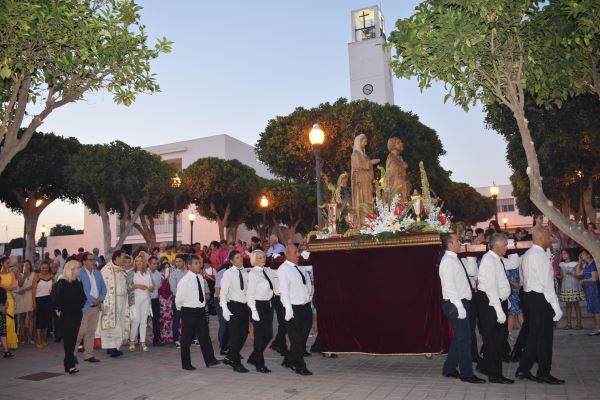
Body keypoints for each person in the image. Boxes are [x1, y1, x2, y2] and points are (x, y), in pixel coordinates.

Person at [516, 228, 564, 384]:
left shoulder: (528, 254)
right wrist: (556, 306)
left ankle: (523, 369)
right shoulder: (540, 256)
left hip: (530, 297)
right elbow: (547, 283)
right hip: (540, 297)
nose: (551, 239)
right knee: (544, 337)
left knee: (534, 336)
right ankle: (543, 373)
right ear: (542, 238)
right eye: (549, 237)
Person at [438, 234, 486, 384]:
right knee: (464, 339)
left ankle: (449, 368)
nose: (460, 243)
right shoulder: (448, 261)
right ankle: (466, 374)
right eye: (457, 241)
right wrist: (459, 306)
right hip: (455, 304)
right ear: (450, 244)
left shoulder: (452, 259)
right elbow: (450, 286)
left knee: (460, 338)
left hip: (461, 302)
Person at [476, 233, 513, 384]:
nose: (506, 247)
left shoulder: (495, 259)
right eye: (505, 244)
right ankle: (495, 374)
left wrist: (506, 301)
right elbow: (491, 287)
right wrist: (498, 309)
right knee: (494, 340)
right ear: (497, 245)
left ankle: (485, 366)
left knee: (499, 337)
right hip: (491, 303)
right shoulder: (489, 260)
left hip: (497, 301)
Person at [175, 255, 221, 370]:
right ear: (189, 265)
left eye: (198, 263)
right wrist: (183, 310)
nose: (198, 265)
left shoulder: (200, 277)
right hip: (189, 311)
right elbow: (179, 299)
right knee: (187, 338)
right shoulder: (185, 280)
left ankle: (210, 360)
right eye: (195, 263)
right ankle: (186, 364)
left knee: (204, 336)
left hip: (200, 310)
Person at [279, 245, 313, 376]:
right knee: (296, 339)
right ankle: (300, 366)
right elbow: (284, 291)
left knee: (303, 336)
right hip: (293, 308)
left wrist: (308, 297)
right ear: (287, 254)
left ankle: (289, 359)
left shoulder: (299, 266)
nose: (298, 255)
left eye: (297, 252)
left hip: (305, 306)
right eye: (295, 253)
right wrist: (288, 309)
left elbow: (307, 282)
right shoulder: (283, 269)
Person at [52, 260, 87, 374]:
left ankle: (69, 363)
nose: (80, 270)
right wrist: (59, 312)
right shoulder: (62, 282)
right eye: (78, 267)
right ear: (72, 269)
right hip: (66, 314)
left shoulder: (77, 282)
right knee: (68, 339)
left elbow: (83, 298)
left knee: (73, 339)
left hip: (77, 314)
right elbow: (55, 299)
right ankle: (70, 364)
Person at [220, 251, 249, 373]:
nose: (240, 259)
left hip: (244, 306)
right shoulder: (228, 273)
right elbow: (223, 292)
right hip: (233, 306)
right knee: (235, 336)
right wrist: (225, 308)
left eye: (241, 257)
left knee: (243, 334)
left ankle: (230, 356)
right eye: (237, 258)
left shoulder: (245, 271)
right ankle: (236, 364)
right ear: (231, 261)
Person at [246, 250, 275, 373]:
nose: (263, 259)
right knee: (259, 336)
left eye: (263, 257)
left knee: (268, 334)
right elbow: (250, 294)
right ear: (254, 260)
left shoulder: (266, 271)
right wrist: (253, 311)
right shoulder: (253, 274)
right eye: (259, 258)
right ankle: (259, 363)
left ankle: (254, 356)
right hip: (258, 305)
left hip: (267, 305)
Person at [76, 252, 106, 363]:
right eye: (90, 259)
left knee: (91, 332)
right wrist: (91, 299)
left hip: (96, 307)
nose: (93, 261)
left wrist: (101, 298)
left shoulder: (98, 273)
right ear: (84, 262)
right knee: (81, 331)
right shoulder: (80, 273)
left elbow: (104, 288)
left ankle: (88, 355)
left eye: (94, 259)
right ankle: (72, 354)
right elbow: (81, 290)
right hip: (85, 307)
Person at [99, 250, 129, 358]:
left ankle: (114, 346)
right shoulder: (106, 270)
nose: (124, 260)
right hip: (111, 301)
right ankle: (111, 348)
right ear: (116, 258)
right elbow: (102, 287)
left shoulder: (122, 270)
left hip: (121, 300)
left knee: (119, 323)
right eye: (123, 257)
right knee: (112, 324)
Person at [129, 253, 153, 351]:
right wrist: (138, 286)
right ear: (135, 262)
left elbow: (151, 285)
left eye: (141, 261)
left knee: (144, 321)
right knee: (136, 320)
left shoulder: (148, 272)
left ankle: (143, 342)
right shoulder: (131, 272)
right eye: (137, 261)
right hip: (135, 299)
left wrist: (151, 287)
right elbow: (128, 286)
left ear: (144, 262)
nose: (139, 263)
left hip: (146, 298)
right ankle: (132, 341)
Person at [558, 249, 584, 330]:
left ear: (569, 254)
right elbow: (561, 276)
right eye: (562, 254)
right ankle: (568, 324)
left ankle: (579, 324)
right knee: (568, 305)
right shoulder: (561, 264)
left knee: (576, 305)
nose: (563, 255)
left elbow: (579, 275)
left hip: (574, 285)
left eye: (565, 253)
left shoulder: (575, 263)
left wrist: (572, 273)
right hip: (565, 286)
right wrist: (556, 275)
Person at [576, 250, 600, 336]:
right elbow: (578, 273)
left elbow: (594, 279)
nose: (581, 256)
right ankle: (597, 326)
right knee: (593, 308)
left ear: (589, 255)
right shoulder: (586, 265)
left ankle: (598, 328)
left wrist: (583, 280)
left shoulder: (594, 264)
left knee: (597, 308)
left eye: (582, 254)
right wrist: (579, 262)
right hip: (589, 289)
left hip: (595, 289)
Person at [31, 260, 54, 349]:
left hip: (48, 299)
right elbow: (33, 291)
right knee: (39, 320)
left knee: (47, 320)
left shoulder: (51, 277)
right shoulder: (36, 277)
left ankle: (44, 339)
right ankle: (38, 340)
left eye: (46, 268)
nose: (45, 269)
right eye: (43, 268)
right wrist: (33, 302)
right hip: (39, 300)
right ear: (40, 268)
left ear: (48, 268)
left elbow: (53, 289)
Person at [169, 254, 187, 347]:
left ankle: (187, 338)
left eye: (180, 261)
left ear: (184, 262)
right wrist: (181, 296)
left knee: (187, 320)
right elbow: (173, 288)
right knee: (177, 319)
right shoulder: (173, 274)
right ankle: (176, 339)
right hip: (178, 299)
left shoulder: (188, 272)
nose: (178, 263)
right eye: (176, 261)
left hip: (188, 300)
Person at [15, 260, 34, 345]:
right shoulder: (20, 275)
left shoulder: (34, 274)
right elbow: (20, 284)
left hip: (30, 296)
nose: (26, 266)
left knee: (31, 316)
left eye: (27, 264)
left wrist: (24, 290)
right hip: (22, 297)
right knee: (22, 317)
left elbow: (33, 285)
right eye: (24, 265)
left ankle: (30, 337)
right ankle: (22, 337)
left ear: (30, 265)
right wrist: (24, 276)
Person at [158, 260, 174, 344]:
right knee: (162, 318)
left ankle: (169, 335)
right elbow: (158, 287)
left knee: (170, 318)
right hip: (162, 298)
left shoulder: (172, 276)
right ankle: (162, 336)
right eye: (166, 267)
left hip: (169, 298)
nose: (167, 268)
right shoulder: (160, 275)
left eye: (169, 267)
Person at [148, 256, 162, 346]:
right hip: (146, 300)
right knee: (143, 320)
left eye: (157, 264)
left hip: (155, 299)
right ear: (149, 264)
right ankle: (138, 339)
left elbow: (159, 287)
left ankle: (156, 339)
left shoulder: (158, 274)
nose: (156, 265)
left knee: (156, 319)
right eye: (154, 264)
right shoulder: (145, 273)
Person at [1, 274, 15, 358]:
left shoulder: (3, 290)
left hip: (2, 315)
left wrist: (5, 306)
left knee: (3, 333)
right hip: (1, 312)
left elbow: (6, 301)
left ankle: (6, 351)